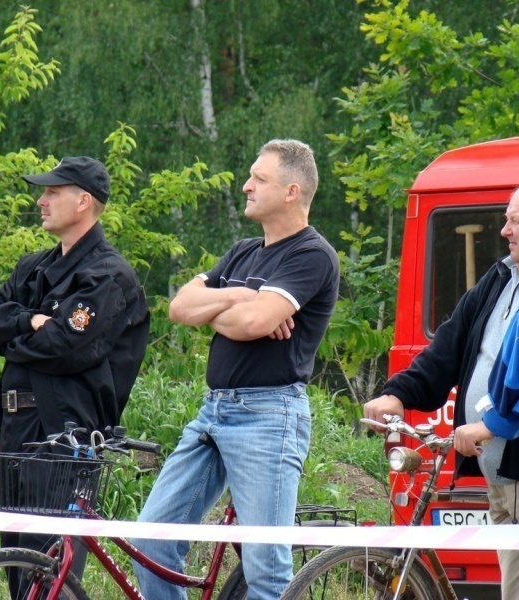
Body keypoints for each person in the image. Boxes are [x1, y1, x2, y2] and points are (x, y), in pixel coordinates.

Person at [364, 178, 519, 600]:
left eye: (515, 221)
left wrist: (489, 425)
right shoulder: (501, 275)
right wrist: (399, 393)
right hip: (499, 480)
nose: (504, 230)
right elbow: (449, 343)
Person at [133, 139, 340, 600]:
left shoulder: (311, 255)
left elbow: (253, 323)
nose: (246, 185)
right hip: (213, 412)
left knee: (265, 571)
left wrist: (228, 309)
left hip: (269, 416)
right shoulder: (243, 251)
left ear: (290, 191)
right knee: (150, 541)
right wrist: (240, 296)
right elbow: (179, 306)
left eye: (258, 179)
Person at [0, 156, 150, 592]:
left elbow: (66, 347)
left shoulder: (108, 276)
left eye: (52, 192)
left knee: (47, 574)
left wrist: (12, 335)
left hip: (62, 436)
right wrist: (30, 321)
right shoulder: (33, 268)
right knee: (17, 568)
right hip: (15, 434)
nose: (41, 200)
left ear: (83, 201)